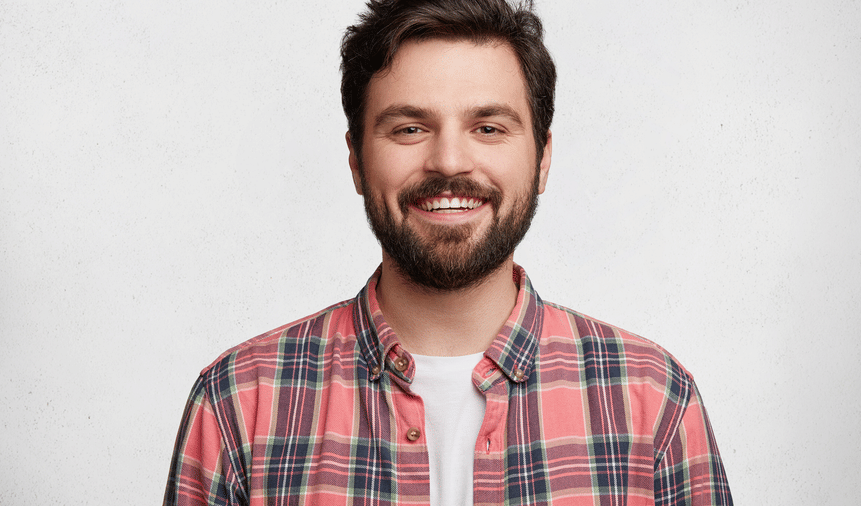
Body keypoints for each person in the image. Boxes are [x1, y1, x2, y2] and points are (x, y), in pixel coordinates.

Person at [163, 0, 733, 504]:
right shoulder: (239, 403)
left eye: (488, 128)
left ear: (543, 159)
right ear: (357, 161)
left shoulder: (653, 401)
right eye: (410, 129)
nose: (450, 162)